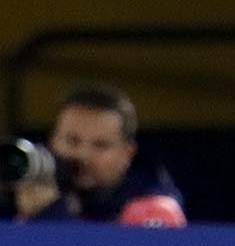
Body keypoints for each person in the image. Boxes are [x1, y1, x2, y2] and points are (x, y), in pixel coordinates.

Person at [48, 84, 186, 226]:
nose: (83, 156)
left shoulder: (154, 209)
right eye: (72, 141)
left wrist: (51, 212)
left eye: (100, 145)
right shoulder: (32, 194)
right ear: (52, 143)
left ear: (127, 154)